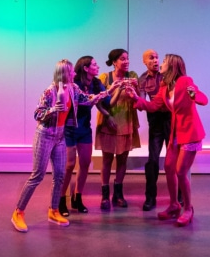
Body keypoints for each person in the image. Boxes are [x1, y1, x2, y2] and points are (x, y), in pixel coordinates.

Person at [11, 59, 105, 233]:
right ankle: (18, 212)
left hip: (60, 135)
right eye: (71, 72)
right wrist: (53, 109)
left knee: (60, 175)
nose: (75, 74)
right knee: (37, 176)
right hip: (45, 135)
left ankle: (54, 210)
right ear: (64, 73)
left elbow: (86, 100)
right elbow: (37, 114)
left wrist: (103, 94)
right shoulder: (49, 91)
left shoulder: (73, 88)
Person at [127, 54, 208, 227]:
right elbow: (153, 106)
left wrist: (194, 95)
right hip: (176, 134)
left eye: (163, 61)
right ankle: (173, 205)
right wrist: (135, 98)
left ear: (172, 65)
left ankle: (188, 209)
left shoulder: (185, 81)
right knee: (169, 167)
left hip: (190, 133)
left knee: (180, 171)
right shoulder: (164, 87)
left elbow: (203, 99)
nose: (160, 63)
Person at [58, 56, 119, 216]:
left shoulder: (96, 83)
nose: (97, 66)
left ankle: (77, 197)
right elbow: (85, 101)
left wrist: (118, 89)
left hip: (84, 128)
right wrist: (110, 90)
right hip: (69, 128)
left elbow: (106, 102)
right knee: (69, 164)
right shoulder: (75, 83)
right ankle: (61, 199)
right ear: (85, 68)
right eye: (94, 64)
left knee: (85, 163)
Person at [95, 48, 141, 210]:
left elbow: (139, 100)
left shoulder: (133, 76)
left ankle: (118, 194)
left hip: (126, 122)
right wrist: (108, 116)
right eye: (122, 59)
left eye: (127, 58)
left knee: (122, 160)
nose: (126, 61)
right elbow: (99, 102)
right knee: (107, 160)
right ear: (114, 62)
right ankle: (105, 195)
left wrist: (135, 89)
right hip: (108, 122)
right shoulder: (104, 78)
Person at [138, 49, 173, 211]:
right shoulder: (143, 79)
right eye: (151, 58)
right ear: (145, 62)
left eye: (157, 57)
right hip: (155, 121)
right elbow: (141, 103)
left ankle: (178, 196)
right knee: (152, 160)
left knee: (174, 159)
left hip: (171, 119)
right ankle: (150, 197)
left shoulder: (168, 75)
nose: (156, 60)